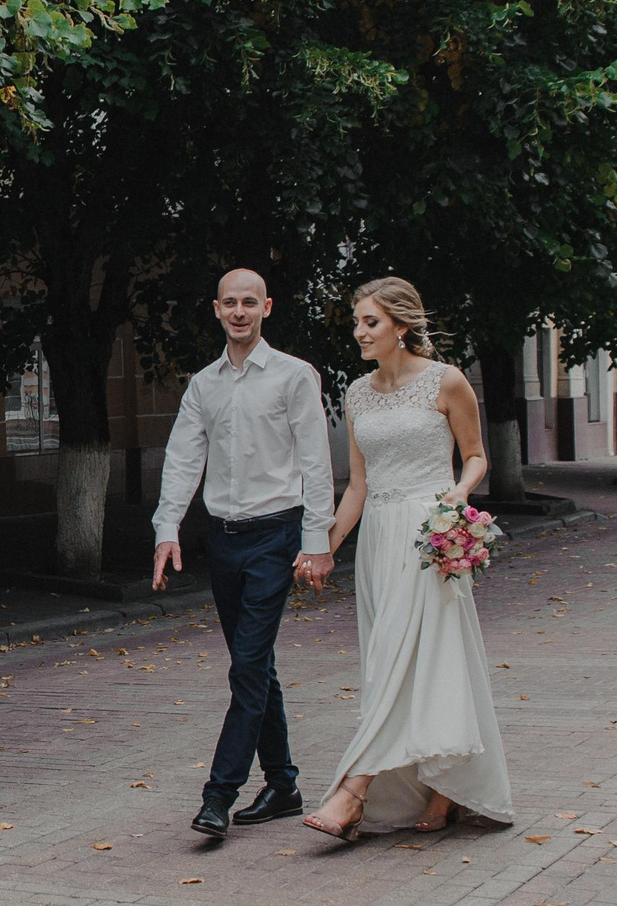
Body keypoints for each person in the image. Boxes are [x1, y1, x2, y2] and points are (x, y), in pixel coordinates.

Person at [303, 278, 514, 842]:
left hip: (431, 536)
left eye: (370, 322)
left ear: (400, 325)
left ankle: (353, 792)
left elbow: (475, 457)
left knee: (413, 656)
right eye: (356, 323)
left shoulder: (446, 381)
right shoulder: (356, 393)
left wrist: (457, 495)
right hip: (379, 539)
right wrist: (324, 547)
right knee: (394, 661)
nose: (359, 333)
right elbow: (359, 486)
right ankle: (439, 790)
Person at [151, 267, 336, 839]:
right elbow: (183, 457)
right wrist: (167, 528)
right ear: (215, 309)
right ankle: (282, 784)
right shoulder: (203, 384)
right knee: (257, 669)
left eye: (249, 303)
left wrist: (316, 542)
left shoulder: (294, 376)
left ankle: (218, 796)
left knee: (248, 668)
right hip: (222, 539)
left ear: (267, 308)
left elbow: (315, 462)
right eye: (229, 303)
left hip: (276, 536)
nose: (239, 311)